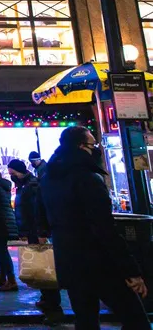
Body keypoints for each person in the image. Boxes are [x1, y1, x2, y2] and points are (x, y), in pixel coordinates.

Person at [40, 126, 148, 330]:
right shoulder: (88, 178)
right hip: (99, 261)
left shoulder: (48, 179)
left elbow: (43, 220)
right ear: (82, 147)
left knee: (86, 320)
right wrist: (130, 270)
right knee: (136, 320)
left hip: (70, 262)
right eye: (93, 144)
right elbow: (104, 227)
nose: (95, 148)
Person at [9, 159, 62, 324]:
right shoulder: (24, 185)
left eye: (12, 173)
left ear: (19, 171)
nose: (11, 176)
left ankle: (53, 307)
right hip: (33, 231)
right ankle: (48, 301)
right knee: (42, 267)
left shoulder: (31, 186)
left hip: (37, 232)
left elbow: (36, 210)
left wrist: (41, 231)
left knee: (45, 267)